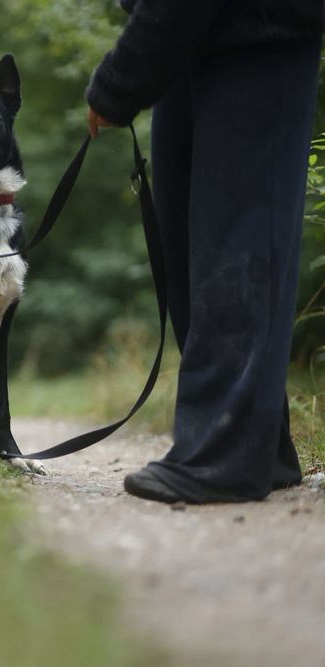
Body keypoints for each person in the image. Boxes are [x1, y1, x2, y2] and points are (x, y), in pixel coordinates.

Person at [85, 0, 323, 502]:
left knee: (239, 239)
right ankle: (262, 449)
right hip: (190, 38)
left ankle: (225, 455)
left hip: (260, 30)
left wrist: (120, 83)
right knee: (188, 249)